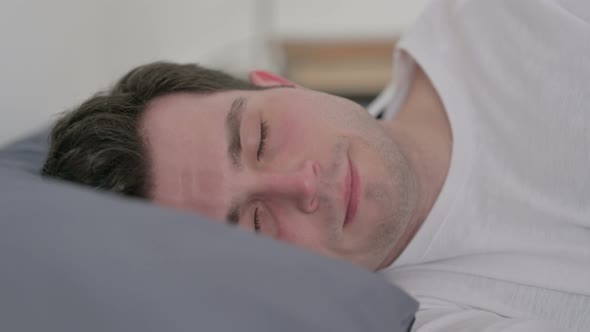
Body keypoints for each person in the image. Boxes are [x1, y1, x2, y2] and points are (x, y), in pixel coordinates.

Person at [42, 0, 589, 330]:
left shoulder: (515, 19)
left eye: (259, 136)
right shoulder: (420, 318)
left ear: (275, 81)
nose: (300, 184)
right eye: (255, 225)